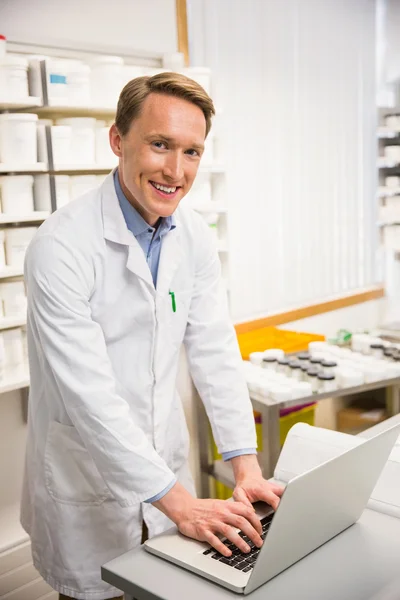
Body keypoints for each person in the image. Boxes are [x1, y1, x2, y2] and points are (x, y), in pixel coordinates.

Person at [20, 72, 283, 600]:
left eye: (192, 151)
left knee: (161, 588)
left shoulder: (194, 237)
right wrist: (180, 502)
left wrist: (246, 464)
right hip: (85, 479)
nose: (175, 171)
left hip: (164, 463)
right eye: (160, 145)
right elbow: (90, 398)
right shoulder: (61, 247)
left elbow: (214, 351)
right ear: (118, 140)